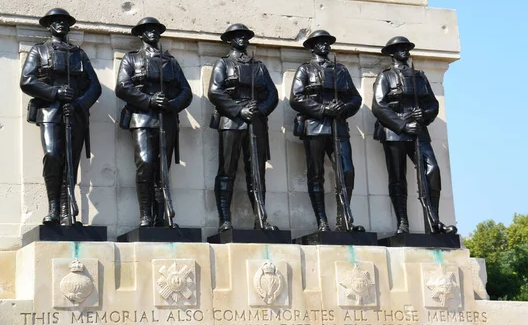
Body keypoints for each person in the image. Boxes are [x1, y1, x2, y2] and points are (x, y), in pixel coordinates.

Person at [20, 8, 101, 226]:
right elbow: (27, 81)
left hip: (74, 113)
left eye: (64, 21)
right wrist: (55, 93)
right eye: (56, 21)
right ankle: (53, 207)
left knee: (70, 161)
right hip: (49, 111)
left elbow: (94, 87)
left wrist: (79, 103)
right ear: (49, 25)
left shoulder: (79, 54)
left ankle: (66, 209)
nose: (61, 24)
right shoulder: (39, 51)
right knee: (53, 155)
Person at [372, 36, 456, 234]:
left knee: (432, 170)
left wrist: (424, 114)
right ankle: (403, 223)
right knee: (398, 177)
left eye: (406, 48)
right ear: (391, 53)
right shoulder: (385, 77)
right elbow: (379, 106)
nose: (404, 51)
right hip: (394, 132)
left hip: (419, 131)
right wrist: (402, 125)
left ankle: (434, 220)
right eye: (399, 48)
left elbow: (433, 104)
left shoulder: (419, 76)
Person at [116, 17, 192, 228]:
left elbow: (186, 92)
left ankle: (160, 217)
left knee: (162, 170)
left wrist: (171, 104)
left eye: (156, 30)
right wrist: (149, 100)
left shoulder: (171, 62)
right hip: (141, 118)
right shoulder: (131, 59)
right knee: (146, 164)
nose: (153, 33)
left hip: (166, 120)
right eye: (148, 30)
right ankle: (145, 215)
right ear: (141, 34)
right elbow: (122, 87)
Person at [290, 30, 364, 232]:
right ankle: (322, 221)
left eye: (326, 42)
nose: (324, 45)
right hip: (314, 127)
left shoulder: (340, 70)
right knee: (316, 174)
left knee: (347, 171)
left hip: (338, 127)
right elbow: (296, 98)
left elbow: (355, 99)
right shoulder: (305, 70)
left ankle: (344, 219)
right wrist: (323, 109)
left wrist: (344, 108)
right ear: (312, 47)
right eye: (320, 42)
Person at [208, 23, 279, 232]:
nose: (242, 39)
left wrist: (261, 110)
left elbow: (272, 94)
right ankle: (225, 220)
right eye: (237, 36)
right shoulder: (223, 64)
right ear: (229, 40)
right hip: (231, 120)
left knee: (256, 172)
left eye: (244, 36)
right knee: (227, 170)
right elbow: (215, 92)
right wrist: (239, 111)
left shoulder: (258, 66)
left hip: (255, 122)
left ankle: (260, 219)